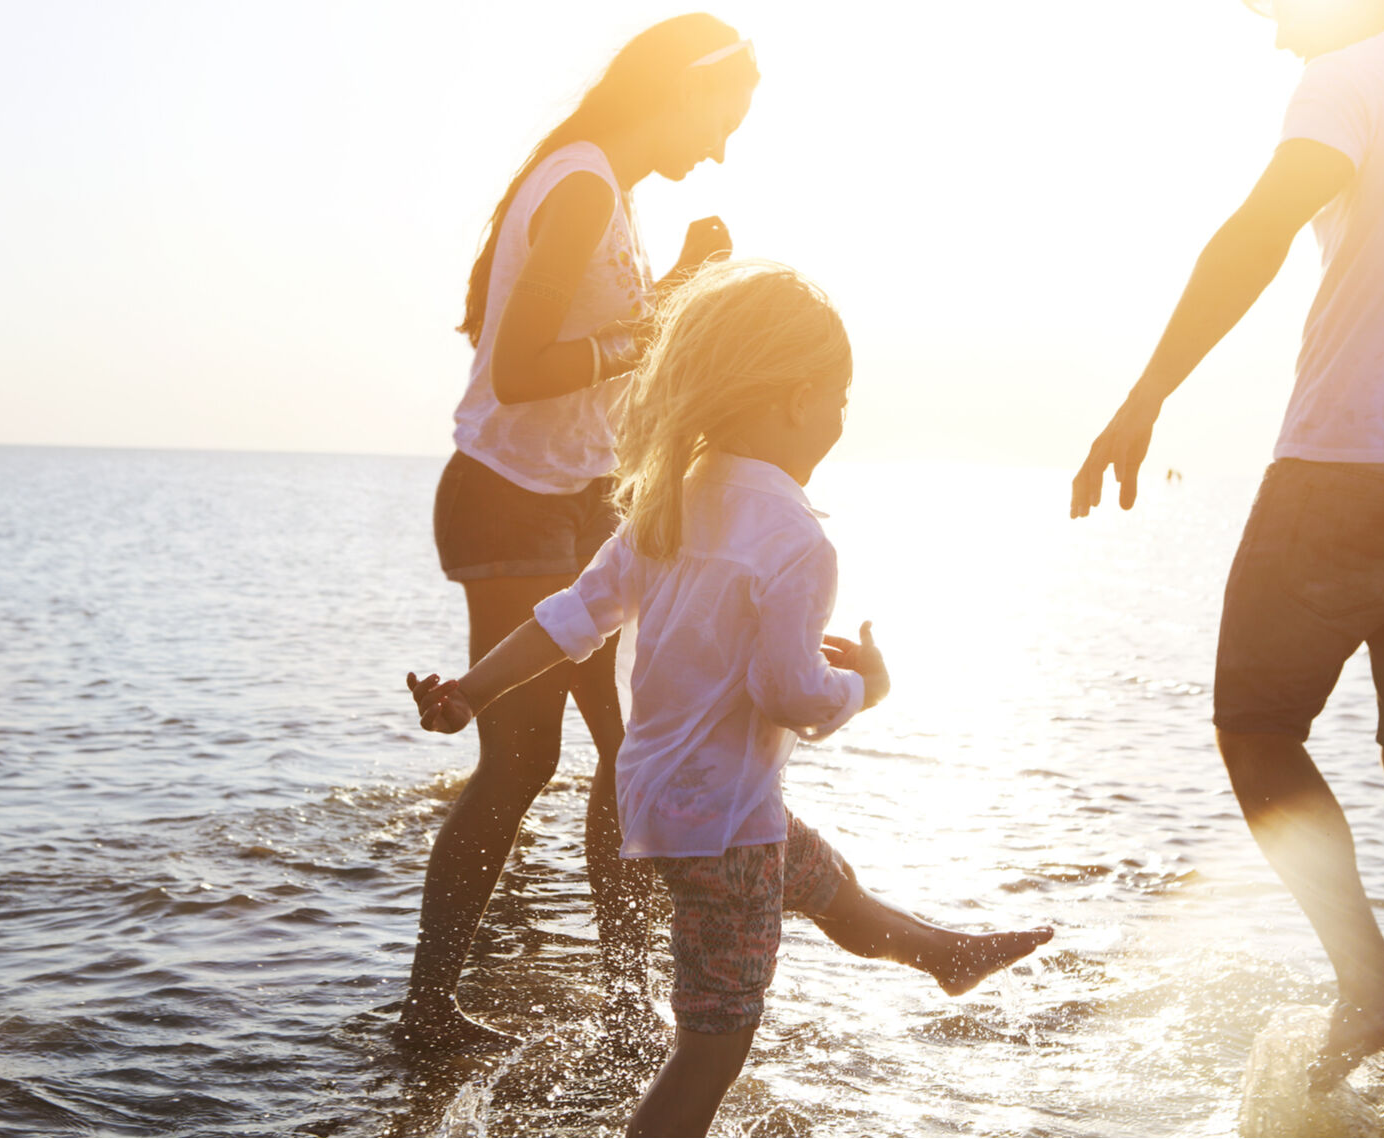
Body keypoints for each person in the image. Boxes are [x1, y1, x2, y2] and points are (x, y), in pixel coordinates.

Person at [410, 260, 1054, 1136]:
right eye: (839, 400)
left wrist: (471, 691)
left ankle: (944, 954)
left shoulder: (667, 504)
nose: (839, 420)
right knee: (710, 1048)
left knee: (827, 886)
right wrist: (867, 684)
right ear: (795, 399)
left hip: (661, 807)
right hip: (727, 829)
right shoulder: (795, 538)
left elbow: (571, 620)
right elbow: (790, 694)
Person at [1070, 0, 1384, 1096]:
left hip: (1349, 460)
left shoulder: (1348, 80)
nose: (1269, 28)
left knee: (1257, 726)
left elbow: (1258, 231)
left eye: (1274, 3)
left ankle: (1370, 984)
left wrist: (1143, 397)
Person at [400, 14, 763, 1052]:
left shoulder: (602, 187)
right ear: (678, 91)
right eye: (723, 118)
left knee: (629, 747)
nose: (722, 148)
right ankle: (428, 1012)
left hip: (574, 496)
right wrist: (658, 318)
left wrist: (671, 288)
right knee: (522, 761)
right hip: (508, 494)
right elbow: (519, 368)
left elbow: (577, 345)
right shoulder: (583, 182)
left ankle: (625, 1003)